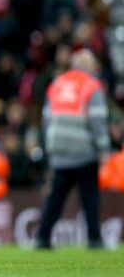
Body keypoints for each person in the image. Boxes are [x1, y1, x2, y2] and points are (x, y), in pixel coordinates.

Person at [36, 49, 111, 249]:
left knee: (56, 198)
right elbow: (98, 121)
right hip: (83, 149)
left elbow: (47, 119)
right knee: (90, 197)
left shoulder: (57, 84)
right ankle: (94, 239)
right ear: (88, 66)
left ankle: (42, 238)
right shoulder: (92, 86)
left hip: (59, 149)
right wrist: (104, 149)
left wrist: (49, 147)